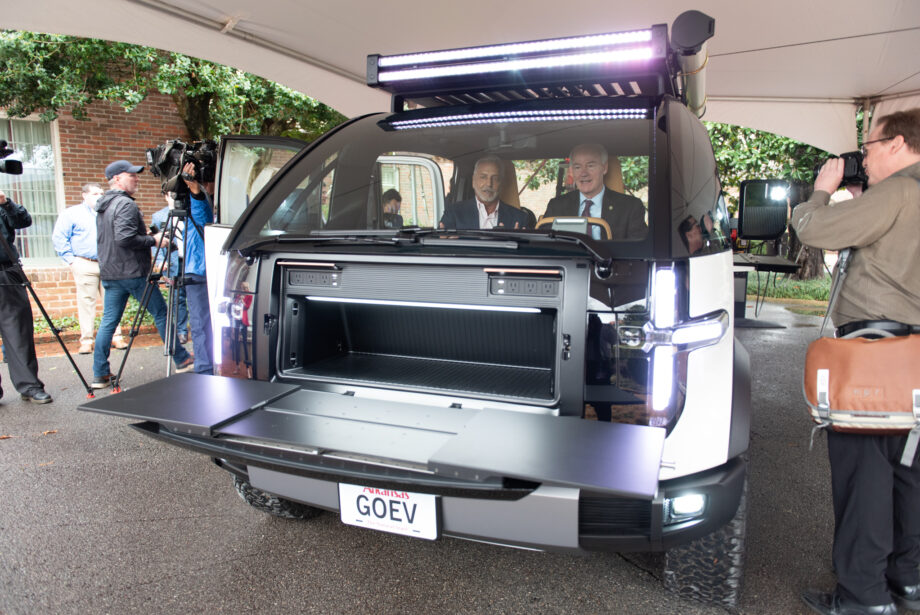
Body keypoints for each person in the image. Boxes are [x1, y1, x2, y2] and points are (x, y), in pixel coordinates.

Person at [793, 109, 920, 615]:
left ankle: (864, 598)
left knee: (864, 478)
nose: (863, 155)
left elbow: (813, 229)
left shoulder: (899, 192)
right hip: (911, 354)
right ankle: (907, 582)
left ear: (898, 144)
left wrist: (822, 190)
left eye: (869, 146)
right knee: (907, 471)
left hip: (873, 354)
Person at [92, 160, 193, 388]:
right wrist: (154, 240)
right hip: (133, 272)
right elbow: (125, 239)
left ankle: (100, 373)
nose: (137, 178)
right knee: (162, 313)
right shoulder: (125, 204)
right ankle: (182, 359)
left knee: (109, 321)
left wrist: (143, 233)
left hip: (110, 272)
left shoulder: (104, 205)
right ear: (117, 179)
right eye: (132, 175)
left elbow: (118, 236)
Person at [51, 183, 128, 354]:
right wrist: (72, 261)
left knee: (113, 301)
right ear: (84, 195)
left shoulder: (109, 212)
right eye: (94, 193)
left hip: (109, 263)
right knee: (86, 302)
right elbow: (60, 237)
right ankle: (87, 340)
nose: (99, 196)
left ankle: (116, 337)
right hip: (84, 262)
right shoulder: (72, 214)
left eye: (101, 193)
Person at [0, 189, 52, 403]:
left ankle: (29, 385)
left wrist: (5, 203)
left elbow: (23, 220)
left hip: (6, 271)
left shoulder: (3, 205)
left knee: (18, 331)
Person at [543, 144, 647, 240]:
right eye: (577, 167)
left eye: (590, 165)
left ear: (604, 168)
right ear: (572, 171)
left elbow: (639, 251)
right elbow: (545, 245)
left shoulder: (630, 207)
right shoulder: (556, 206)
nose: (583, 173)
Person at [177, 161, 215, 375]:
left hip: (207, 270)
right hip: (199, 272)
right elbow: (202, 220)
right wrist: (195, 190)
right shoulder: (195, 204)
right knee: (201, 324)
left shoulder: (207, 202)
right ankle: (204, 368)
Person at [439, 156, 530, 230]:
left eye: (495, 178)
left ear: (501, 183)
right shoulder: (453, 213)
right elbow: (441, 246)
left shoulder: (519, 218)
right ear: (473, 181)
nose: (489, 183)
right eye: (483, 177)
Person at [151, 192, 189, 344]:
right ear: (166, 197)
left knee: (195, 295)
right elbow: (156, 242)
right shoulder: (159, 216)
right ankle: (181, 331)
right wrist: (160, 260)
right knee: (177, 297)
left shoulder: (188, 213)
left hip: (189, 260)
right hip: (173, 261)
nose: (175, 197)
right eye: (171, 195)